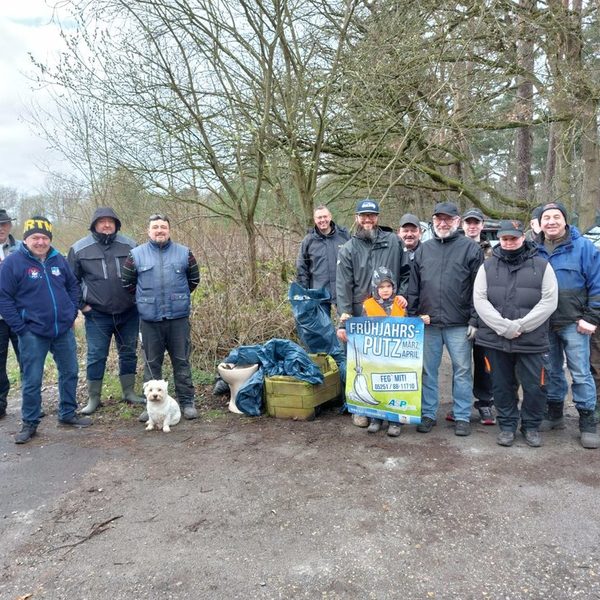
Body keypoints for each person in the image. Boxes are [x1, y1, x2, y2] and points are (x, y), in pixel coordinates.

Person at [0, 216, 91, 444]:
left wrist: (71, 313)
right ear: (26, 239)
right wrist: (20, 327)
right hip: (32, 332)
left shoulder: (58, 259)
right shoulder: (14, 263)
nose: (40, 242)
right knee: (32, 379)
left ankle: (67, 413)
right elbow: (4, 298)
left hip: (62, 330)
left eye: (44, 237)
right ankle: (29, 423)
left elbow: (72, 286)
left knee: (69, 371)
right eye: (35, 237)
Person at [473, 220, 558, 447]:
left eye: (513, 238)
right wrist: (503, 327)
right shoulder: (487, 266)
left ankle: (530, 426)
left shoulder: (541, 266)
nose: (509, 243)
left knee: (535, 386)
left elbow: (549, 302)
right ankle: (507, 425)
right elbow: (480, 300)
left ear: (523, 237)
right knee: (501, 385)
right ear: (499, 239)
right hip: (496, 339)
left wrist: (520, 326)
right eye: (504, 239)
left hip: (531, 340)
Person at [407, 201, 484, 437]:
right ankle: (428, 413)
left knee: (462, 370)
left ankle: (461, 415)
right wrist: (412, 316)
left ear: (457, 221)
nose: (443, 223)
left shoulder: (470, 249)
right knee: (428, 371)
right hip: (428, 323)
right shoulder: (423, 249)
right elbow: (414, 287)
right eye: (438, 219)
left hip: (459, 323)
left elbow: (478, 289)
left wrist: (474, 320)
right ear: (432, 222)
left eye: (448, 219)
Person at [122, 213, 200, 421]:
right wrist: (147, 300)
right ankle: (151, 408)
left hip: (178, 318)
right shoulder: (135, 255)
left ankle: (187, 402)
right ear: (149, 231)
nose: (159, 230)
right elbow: (128, 284)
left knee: (182, 361)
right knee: (151, 364)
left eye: (163, 227)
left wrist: (177, 298)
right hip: (149, 320)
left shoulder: (185, 253)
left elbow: (194, 280)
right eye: (155, 227)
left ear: (169, 230)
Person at [336, 198, 406, 427]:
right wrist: (344, 318)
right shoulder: (349, 248)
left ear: (378, 217)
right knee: (359, 362)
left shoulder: (394, 242)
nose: (368, 219)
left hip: (390, 314)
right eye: (363, 215)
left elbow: (406, 273)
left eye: (372, 215)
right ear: (357, 218)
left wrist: (403, 295)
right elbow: (343, 285)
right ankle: (361, 409)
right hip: (360, 314)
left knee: (388, 362)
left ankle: (389, 408)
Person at [536, 202, 600, 449]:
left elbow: (597, 285)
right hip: (544, 324)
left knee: (581, 372)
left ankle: (587, 420)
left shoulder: (584, 247)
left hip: (575, 323)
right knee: (551, 370)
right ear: (540, 223)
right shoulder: (535, 249)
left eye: (556, 217)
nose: (551, 222)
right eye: (546, 218)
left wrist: (591, 318)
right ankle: (555, 414)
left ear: (565, 220)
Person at [68, 207, 143, 414]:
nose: (106, 225)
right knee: (96, 355)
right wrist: (82, 306)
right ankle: (93, 398)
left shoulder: (131, 246)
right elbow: (71, 282)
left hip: (129, 312)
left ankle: (129, 392)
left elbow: (142, 275)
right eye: (102, 221)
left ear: (117, 224)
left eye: (111, 221)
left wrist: (138, 301)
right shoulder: (79, 249)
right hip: (97, 314)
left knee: (128, 354)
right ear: (94, 225)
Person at [445, 207, 495, 425]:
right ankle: (459, 406)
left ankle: (485, 403)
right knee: (461, 364)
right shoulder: (453, 247)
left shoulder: (494, 251)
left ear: (482, 226)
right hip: (461, 314)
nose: (472, 226)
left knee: (484, 361)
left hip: (486, 315)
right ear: (461, 224)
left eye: (476, 223)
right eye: (468, 222)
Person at [360, 266, 406, 437]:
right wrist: (345, 324)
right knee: (375, 386)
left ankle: (395, 421)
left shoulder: (400, 303)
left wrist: (420, 320)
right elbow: (361, 328)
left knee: (395, 387)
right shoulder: (367, 305)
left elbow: (409, 326)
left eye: (388, 286)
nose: (385, 290)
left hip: (397, 356)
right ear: (375, 288)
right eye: (381, 287)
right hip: (376, 356)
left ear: (393, 287)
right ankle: (376, 419)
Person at [295, 205, 350, 313]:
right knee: (321, 328)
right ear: (315, 220)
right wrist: (304, 293)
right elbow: (301, 268)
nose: (322, 220)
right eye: (319, 218)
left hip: (343, 291)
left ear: (330, 217)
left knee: (346, 325)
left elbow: (354, 262)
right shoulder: (308, 240)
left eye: (325, 216)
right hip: (318, 292)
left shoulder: (344, 236)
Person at [0, 209, 20, 419]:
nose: (1, 228)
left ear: (10, 226)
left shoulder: (22, 248)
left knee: (29, 360)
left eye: (4, 224)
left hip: (20, 315)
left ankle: (33, 403)